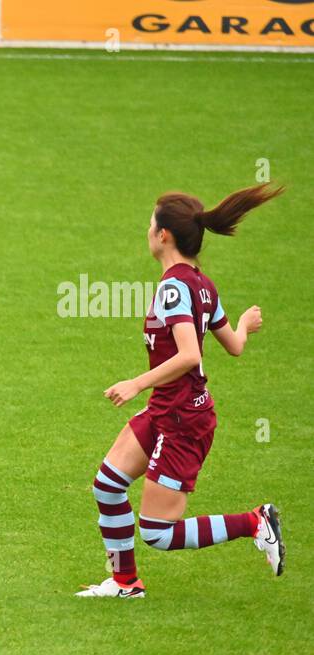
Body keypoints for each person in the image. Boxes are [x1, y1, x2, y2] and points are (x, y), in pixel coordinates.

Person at [77, 185, 285, 598]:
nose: (147, 229)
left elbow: (190, 355)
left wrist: (136, 382)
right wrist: (244, 324)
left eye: (151, 222)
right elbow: (235, 346)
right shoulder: (202, 285)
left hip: (183, 421)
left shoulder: (174, 288)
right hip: (166, 411)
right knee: (107, 484)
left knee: (157, 532)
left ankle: (256, 522)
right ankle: (125, 584)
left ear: (164, 235)